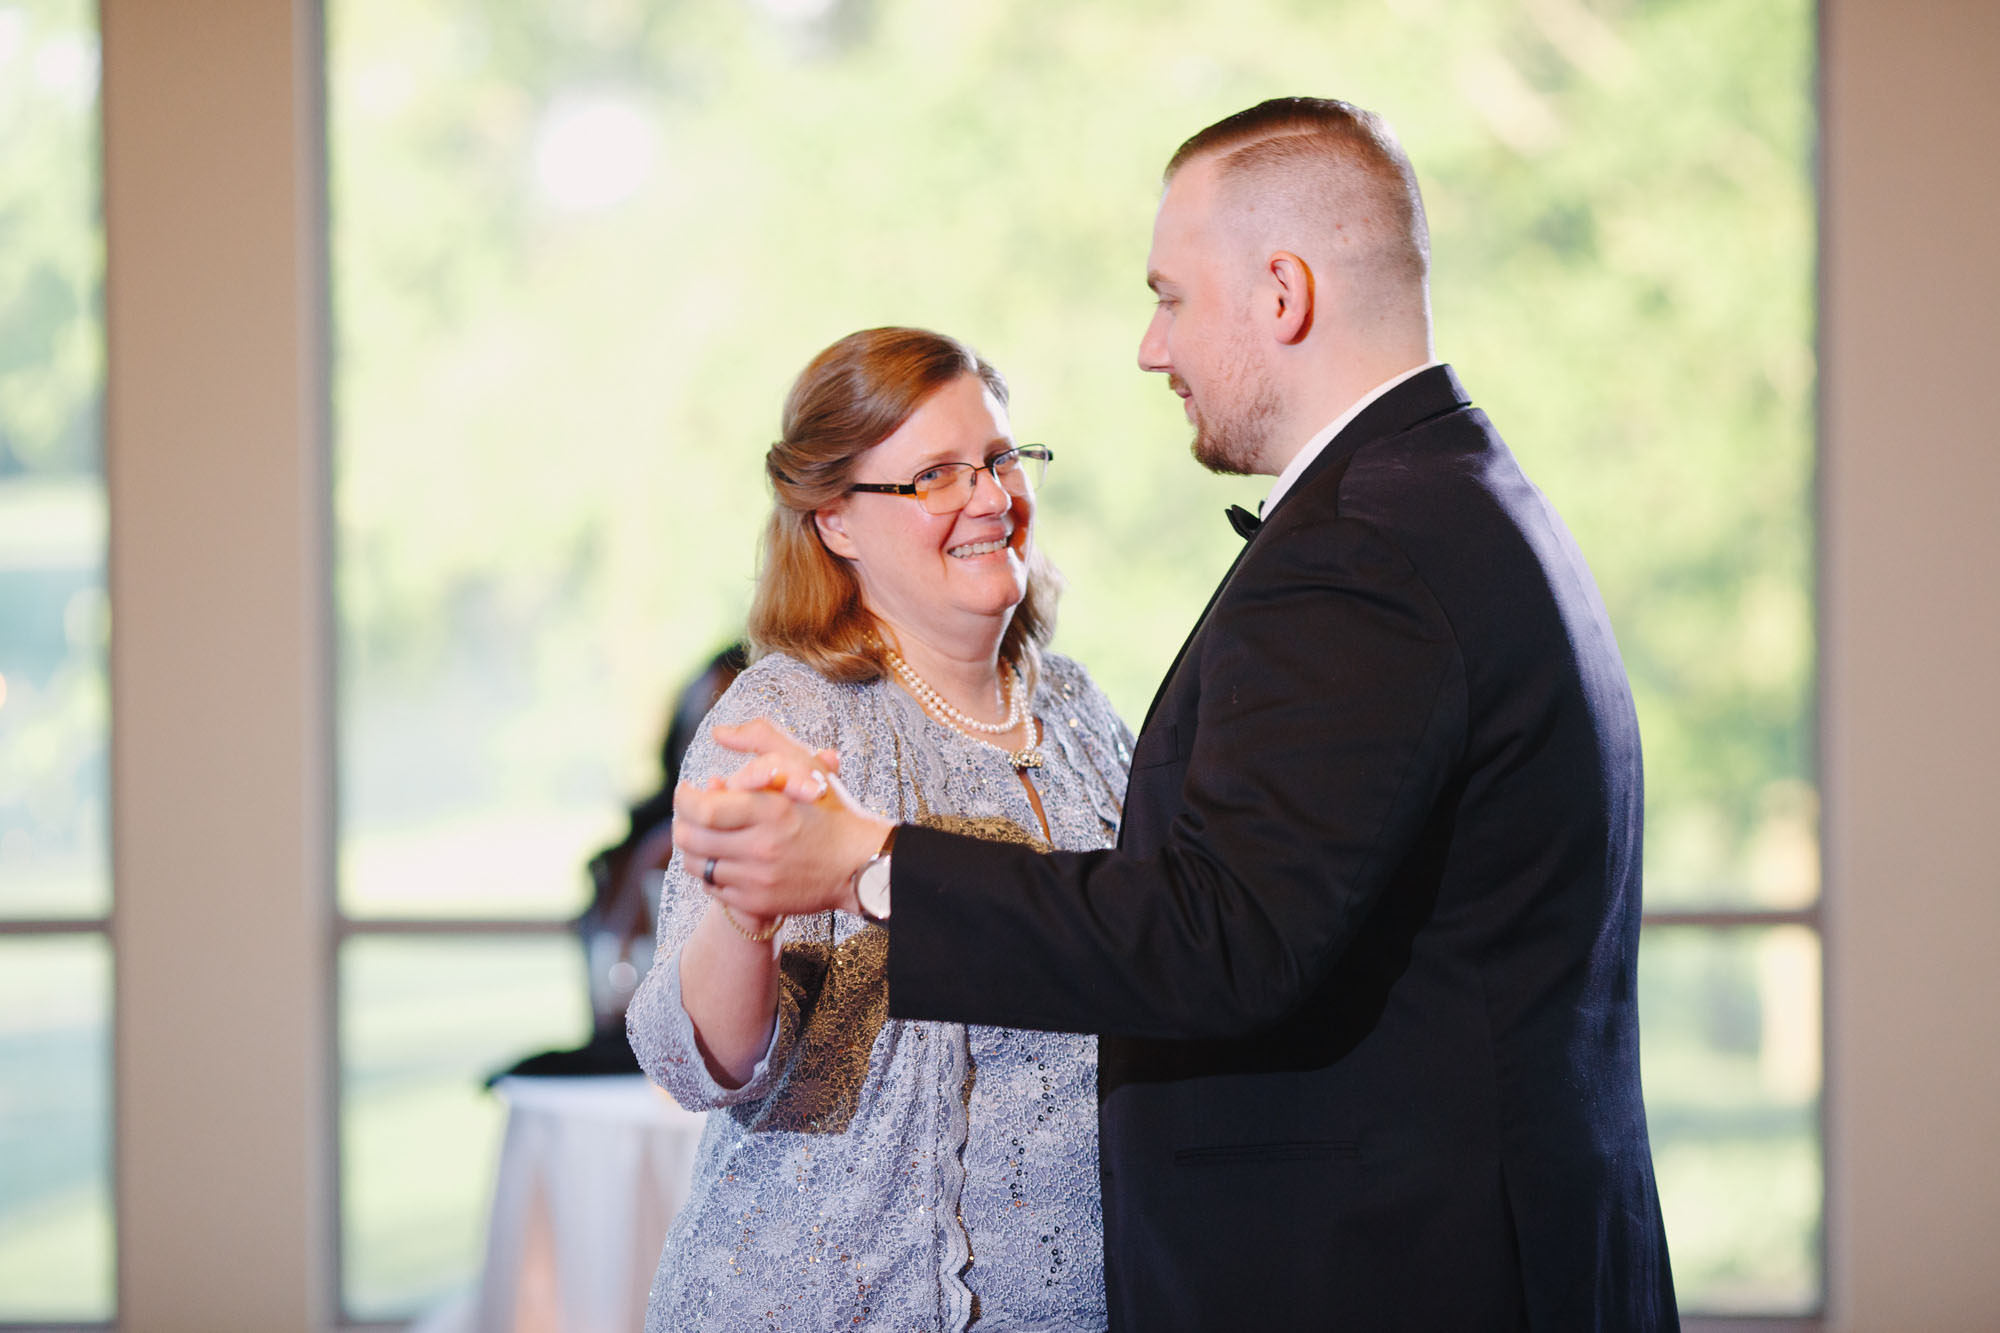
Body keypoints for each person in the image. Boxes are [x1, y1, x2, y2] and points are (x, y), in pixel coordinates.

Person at [675, 97, 1681, 1330]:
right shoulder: (1452, 493)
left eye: (1169, 297)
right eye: (931, 474)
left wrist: (875, 862)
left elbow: (1221, 933)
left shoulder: (1355, 550)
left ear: (1281, 293)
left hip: (1399, 1264)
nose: (1153, 349)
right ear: (833, 519)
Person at [625, 327, 1131, 1331]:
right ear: (836, 521)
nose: (990, 499)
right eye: (935, 475)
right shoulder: (793, 712)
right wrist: (744, 915)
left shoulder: (1079, 711)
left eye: (999, 459)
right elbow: (695, 1061)